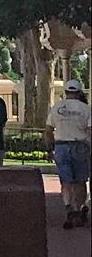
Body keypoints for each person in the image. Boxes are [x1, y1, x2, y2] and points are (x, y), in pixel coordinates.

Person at [46, 78, 91, 229]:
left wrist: (49, 147)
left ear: (66, 92)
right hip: (80, 145)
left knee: (65, 182)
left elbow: (48, 130)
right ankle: (78, 209)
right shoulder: (86, 109)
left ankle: (68, 206)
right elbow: (90, 131)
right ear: (79, 92)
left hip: (61, 146)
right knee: (80, 181)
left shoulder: (57, 107)